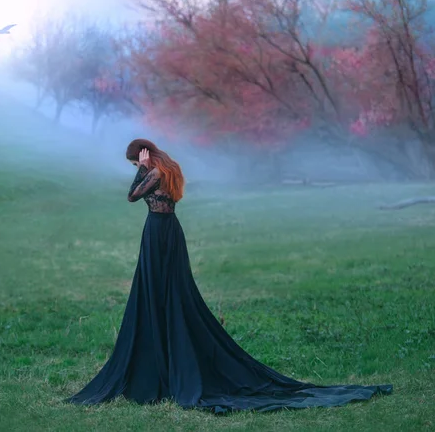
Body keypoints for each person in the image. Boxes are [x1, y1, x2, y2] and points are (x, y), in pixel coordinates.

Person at [65, 138, 393, 413]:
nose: (135, 163)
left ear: (143, 153)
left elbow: (132, 196)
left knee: (166, 291)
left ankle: (167, 358)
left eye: (135, 158)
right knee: (167, 290)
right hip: (169, 233)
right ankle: (161, 352)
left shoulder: (152, 172)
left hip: (157, 234)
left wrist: (141, 167)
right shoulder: (171, 169)